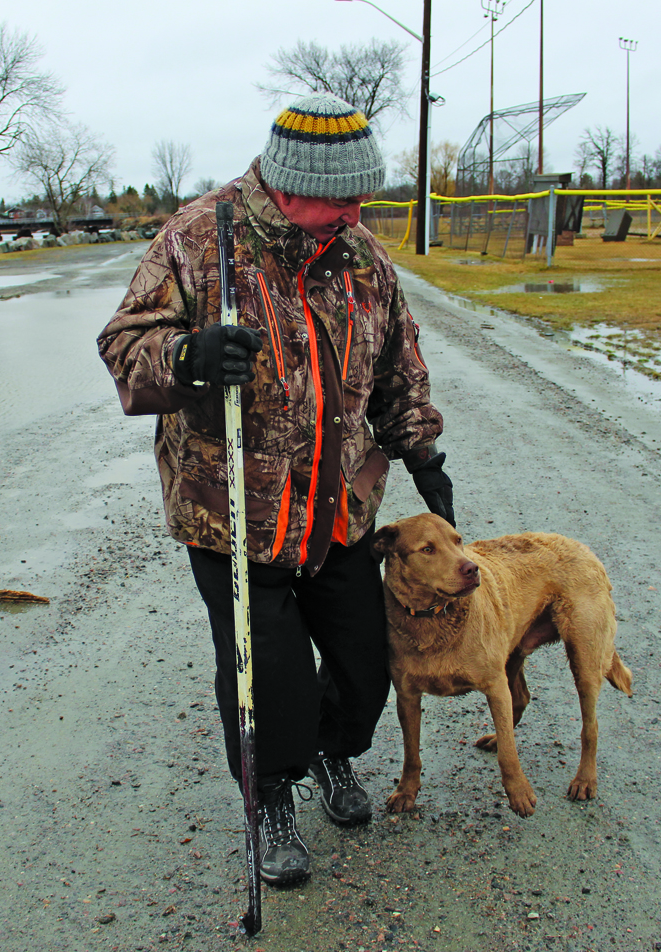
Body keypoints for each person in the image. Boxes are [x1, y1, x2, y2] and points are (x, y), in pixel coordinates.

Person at [97, 93, 455, 887]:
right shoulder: (199, 238)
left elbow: (396, 361)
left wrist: (422, 454)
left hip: (339, 509)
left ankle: (335, 754)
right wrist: (187, 357)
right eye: (345, 197)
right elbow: (124, 345)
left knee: (366, 664)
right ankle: (271, 796)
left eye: (364, 197)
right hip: (233, 517)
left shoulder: (360, 254)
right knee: (271, 680)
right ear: (291, 184)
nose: (359, 212)